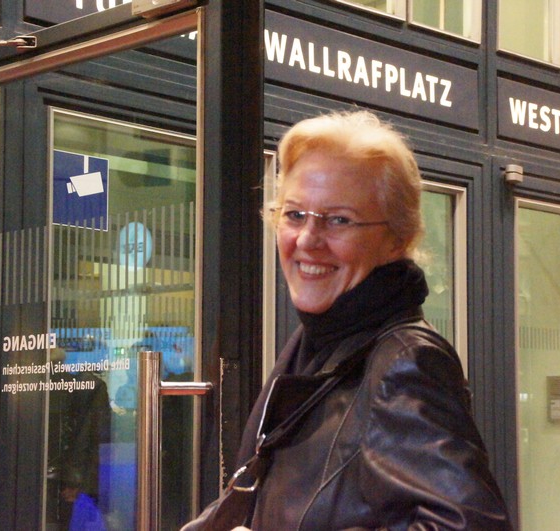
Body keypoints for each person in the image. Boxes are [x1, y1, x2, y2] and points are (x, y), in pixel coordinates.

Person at [183, 110, 512, 530]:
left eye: (339, 219)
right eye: (294, 214)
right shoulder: (320, 345)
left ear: (397, 239)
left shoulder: (404, 363)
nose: (307, 240)